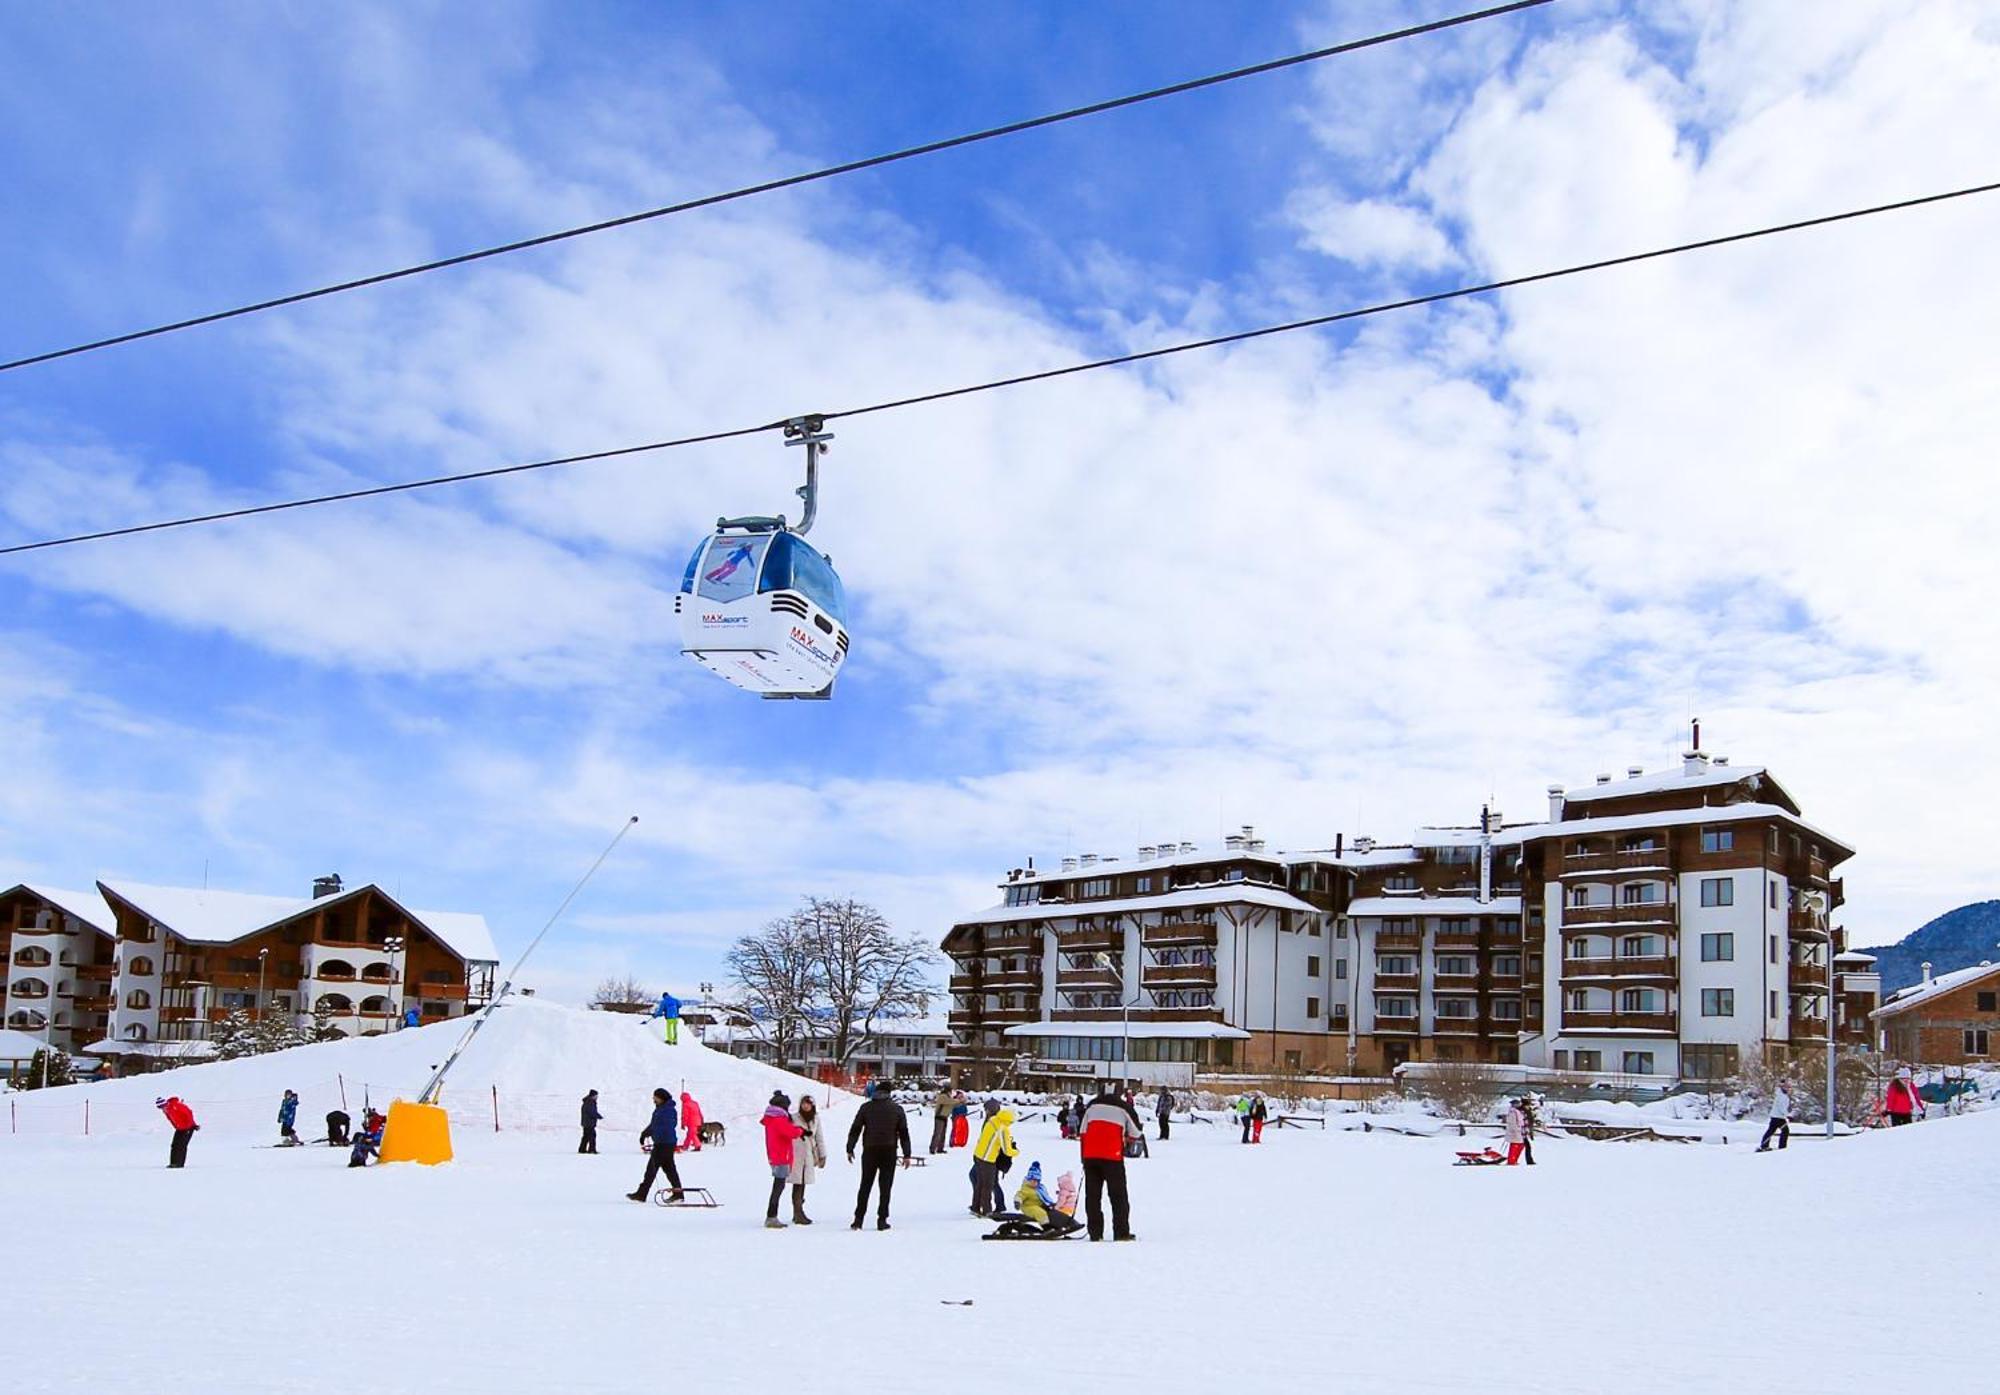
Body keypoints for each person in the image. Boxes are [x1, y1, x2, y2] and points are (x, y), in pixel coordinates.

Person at [845, 1076, 913, 1230]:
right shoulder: (897, 1109)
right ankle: (882, 1220)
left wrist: (850, 1148)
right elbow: (903, 1133)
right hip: (889, 1150)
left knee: (865, 1184)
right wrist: (907, 1154)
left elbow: (855, 1128)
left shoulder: (866, 1108)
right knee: (885, 1186)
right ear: (889, 1093)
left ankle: (858, 1219)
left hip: (870, 1149)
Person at [1078, 1086, 1143, 1241]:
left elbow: (1083, 1131)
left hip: (1090, 1156)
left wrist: (1084, 1157)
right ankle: (1121, 1232)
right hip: (1112, 1157)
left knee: (1093, 1197)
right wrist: (1126, 1140)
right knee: (1118, 1196)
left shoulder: (1091, 1106)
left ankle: (1095, 1233)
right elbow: (1136, 1132)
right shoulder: (1124, 1108)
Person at [627, 1088, 684, 1203]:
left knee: (652, 1169)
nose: (653, 1099)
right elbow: (655, 1124)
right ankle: (678, 1194)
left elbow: (666, 1127)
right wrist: (646, 1132)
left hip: (664, 1143)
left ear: (661, 1097)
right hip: (664, 1143)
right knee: (669, 1169)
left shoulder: (667, 1110)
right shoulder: (661, 1109)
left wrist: (654, 1134)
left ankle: (642, 1194)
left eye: (655, 1097)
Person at [761, 1091, 805, 1229]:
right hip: (781, 1157)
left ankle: (772, 1215)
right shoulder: (779, 1119)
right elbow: (791, 1133)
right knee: (778, 1187)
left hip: (775, 1156)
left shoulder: (772, 1118)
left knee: (778, 1185)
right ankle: (771, 1216)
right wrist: (799, 1130)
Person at [971, 1101, 1018, 1217]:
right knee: (988, 1185)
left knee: (979, 1183)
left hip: (978, 1155)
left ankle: (975, 1207)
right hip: (988, 1159)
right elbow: (1007, 1150)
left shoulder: (992, 1120)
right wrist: (1016, 1152)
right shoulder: (1003, 1129)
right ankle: (987, 1211)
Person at [788, 1093, 828, 1225]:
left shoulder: (815, 1119)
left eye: (808, 1104)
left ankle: (799, 1210)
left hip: (809, 1154)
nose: (806, 1106)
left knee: (803, 1182)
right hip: (796, 1154)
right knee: (797, 1183)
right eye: (804, 1103)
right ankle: (798, 1212)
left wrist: (823, 1154)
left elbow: (819, 1137)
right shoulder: (793, 1118)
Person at [1014, 1161, 1081, 1233]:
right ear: (1028, 1180)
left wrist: (1050, 1204)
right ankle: (1047, 1228)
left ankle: (1069, 1223)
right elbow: (1019, 1195)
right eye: (1032, 1180)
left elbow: (1045, 1198)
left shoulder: (1040, 1189)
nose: (1034, 1183)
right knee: (1040, 1213)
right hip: (1028, 1207)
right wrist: (1017, 1202)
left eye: (1036, 1181)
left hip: (1039, 1205)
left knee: (1053, 1212)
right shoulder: (1026, 1189)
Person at [157, 1096, 197, 1168]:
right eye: (160, 1108)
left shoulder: (176, 1105)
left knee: (181, 1146)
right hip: (180, 1128)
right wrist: (177, 1127)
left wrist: (191, 1125)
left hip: (188, 1127)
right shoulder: (167, 1111)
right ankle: (173, 1163)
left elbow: (189, 1113)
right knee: (174, 1145)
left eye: (163, 1106)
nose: (163, 1109)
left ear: (166, 1104)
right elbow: (172, 1120)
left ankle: (179, 1164)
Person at [1758, 1082, 1792, 1152]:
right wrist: (1788, 1115)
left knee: (1772, 1131)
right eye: (1786, 1087)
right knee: (1784, 1131)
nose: (1788, 1089)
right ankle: (1781, 1146)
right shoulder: (1781, 1096)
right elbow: (1781, 1108)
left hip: (1779, 1117)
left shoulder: (1783, 1096)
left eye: (1789, 1088)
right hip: (1777, 1117)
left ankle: (1765, 1145)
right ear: (1782, 1088)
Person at [929, 1083, 954, 1154]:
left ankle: (940, 1148)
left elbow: (952, 1104)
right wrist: (959, 1100)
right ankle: (933, 1148)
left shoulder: (948, 1097)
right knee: (937, 1133)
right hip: (939, 1117)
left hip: (944, 1117)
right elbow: (949, 1102)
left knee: (943, 1134)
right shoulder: (943, 1096)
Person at [1504, 1098, 1529, 1165]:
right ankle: (1511, 1160)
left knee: (1521, 1145)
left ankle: (1514, 1159)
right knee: (1515, 1145)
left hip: (1519, 1131)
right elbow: (1512, 1122)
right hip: (1515, 1132)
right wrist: (1516, 1130)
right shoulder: (1512, 1112)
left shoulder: (1517, 1111)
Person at [579, 1089, 602, 1155]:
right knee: (592, 1136)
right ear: (593, 1096)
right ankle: (592, 1150)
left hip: (586, 1122)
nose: (597, 1097)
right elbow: (592, 1112)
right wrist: (599, 1116)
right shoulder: (590, 1102)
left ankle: (582, 1149)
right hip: (589, 1123)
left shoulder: (587, 1101)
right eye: (596, 1095)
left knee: (586, 1136)